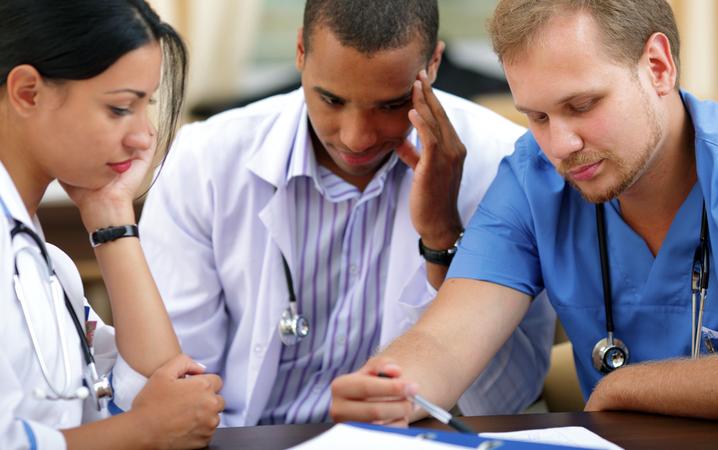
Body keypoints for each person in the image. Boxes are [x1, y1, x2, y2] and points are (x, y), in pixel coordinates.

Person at [330, 0, 718, 424]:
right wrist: (390, 388)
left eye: (582, 105)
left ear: (658, 67)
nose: (560, 146)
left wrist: (626, 386)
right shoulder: (533, 179)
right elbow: (444, 341)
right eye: (537, 116)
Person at [124, 0, 556, 426]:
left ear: (435, 64)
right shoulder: (203, 163)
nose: (356, 138)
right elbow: (174, 385)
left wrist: (443, 235)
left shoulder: (500, 164)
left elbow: (506, 401)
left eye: (389, 105)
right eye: (331, 100)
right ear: (299, 52)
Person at [0, 1, 225, 448]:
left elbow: (162, 385)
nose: (143, 136)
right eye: (121, 108)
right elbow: (156, 422)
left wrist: (112, 219)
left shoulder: (47, 263)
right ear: (28, 92)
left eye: (148, 106)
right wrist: (145, 429)